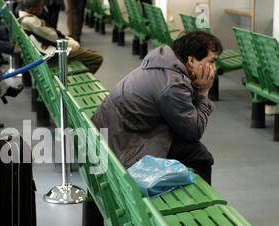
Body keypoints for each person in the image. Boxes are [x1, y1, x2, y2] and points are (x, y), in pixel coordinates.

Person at [91, 31, 222, 185]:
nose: (215, 68)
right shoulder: (173, 84)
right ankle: (198, 207)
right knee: (200, 156)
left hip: (113, 133)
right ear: (192, 60)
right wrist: (203, 92)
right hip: (122, 145)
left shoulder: (162, 63)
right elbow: (193, 131)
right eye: (212, 61)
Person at [18, 0, 103, 74]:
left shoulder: (24, 17)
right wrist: (71, 41)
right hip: (56, 53)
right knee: (96, 58)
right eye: (40, 6)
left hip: (47, 49)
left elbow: (49, 35)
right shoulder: (33, 21)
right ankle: (74, 79)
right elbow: (53, 37)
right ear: (32, 9)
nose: (42, 7)